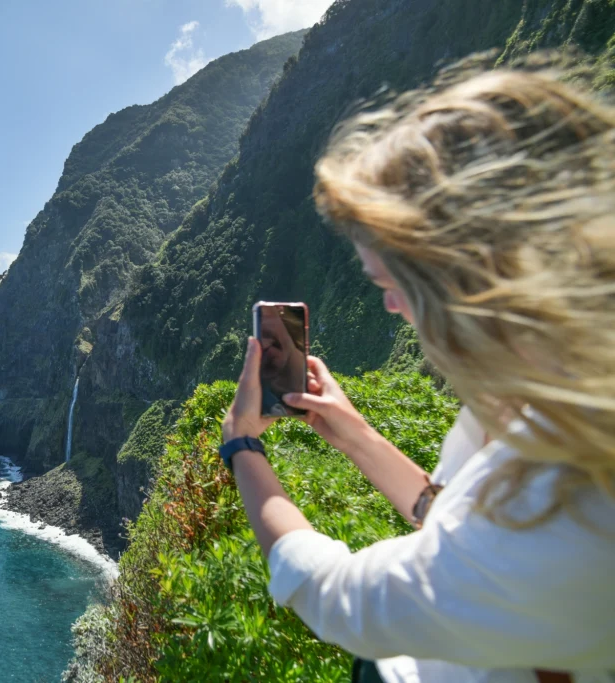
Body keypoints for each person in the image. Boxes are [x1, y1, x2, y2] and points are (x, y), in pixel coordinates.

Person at [219, 51, 615, 683]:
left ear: (473, 275)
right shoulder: (556, 395)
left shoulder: (567, 516)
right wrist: (354, 433)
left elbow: (338, 596)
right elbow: (455, 515)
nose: (392, 306)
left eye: (392, 282)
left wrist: (241, 445)